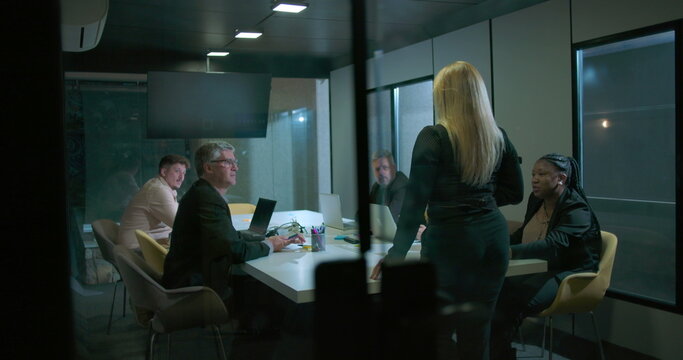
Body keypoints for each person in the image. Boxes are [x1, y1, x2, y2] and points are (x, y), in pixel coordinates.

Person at [370, 61, 524, 360]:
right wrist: (480, 201)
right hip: (493, 240)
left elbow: (414, 205)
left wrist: (395, 257)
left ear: (445, 96)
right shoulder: (498, 136)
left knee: (436, 331)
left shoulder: (434, 137)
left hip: (450, 242)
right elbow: (515, 193)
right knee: (477, 333)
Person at [490, 154, 601, 359]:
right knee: (495, 289)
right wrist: (499, 244)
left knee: (510, 299)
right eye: (533, 174)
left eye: (542, 174)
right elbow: (522, 234)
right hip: (540, 267)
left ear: (561, 179)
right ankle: (495, 350)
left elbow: (553, 244)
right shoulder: (537, 200)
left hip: (570, 274)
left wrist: (511, 251)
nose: (534, 179)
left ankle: (500, 353)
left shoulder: (576, 208)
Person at [162, 142, 303, 303]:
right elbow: (235, 251)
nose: (235, 168)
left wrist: (266, 240)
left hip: (196, 274)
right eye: (228, 162)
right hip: (197, 285)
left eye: (235, 162)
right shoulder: (207, 199)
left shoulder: (203, 192)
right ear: (208, 168)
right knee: (275, 289)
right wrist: (270, 245)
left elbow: (229, 238)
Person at [117, 154, 190, 250]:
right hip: (136, 250)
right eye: (177, 171)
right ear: (164, 172)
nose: (181, 177)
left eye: (184, 173)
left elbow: (181, 215)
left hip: (143, 246)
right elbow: (181, 224)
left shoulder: (160, 186)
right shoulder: (159, 190)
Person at [369, 150, 408, 222]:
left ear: (393, 168)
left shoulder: (402, 186)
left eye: (385, 168)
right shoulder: (376, 186)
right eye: (377, 169)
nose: (381, 173)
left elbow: (390, 219)